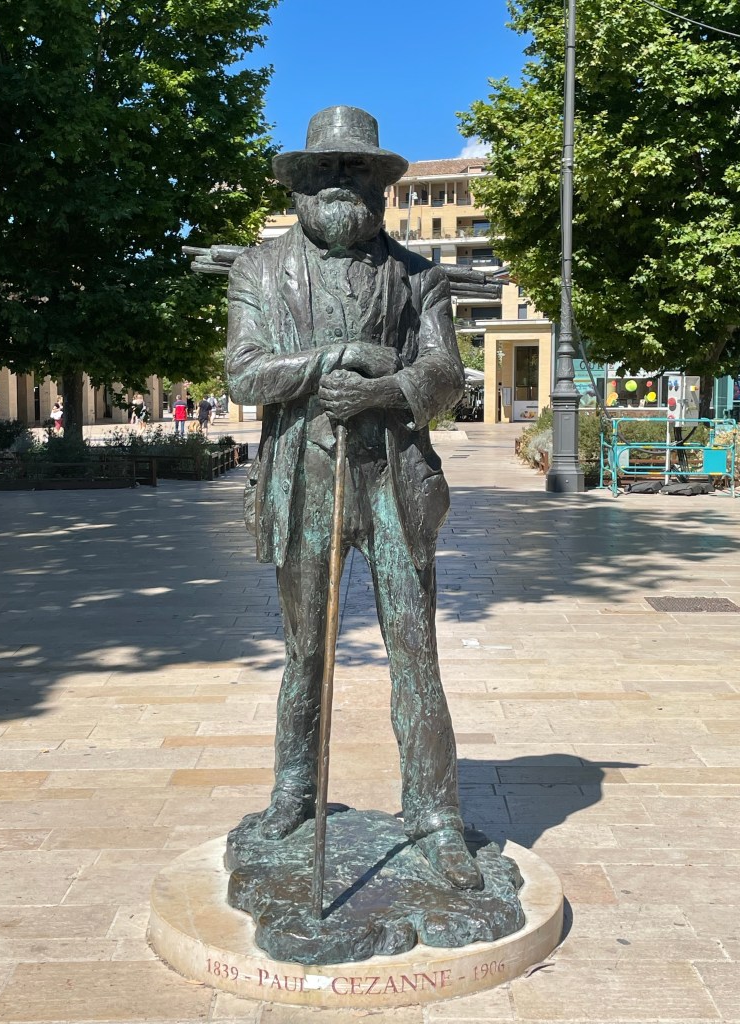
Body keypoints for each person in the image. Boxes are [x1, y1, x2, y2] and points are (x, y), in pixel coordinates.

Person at [226, 106, 479, 889]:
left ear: (382, 186)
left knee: (414, 650)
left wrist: (382, 390)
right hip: (304, 480)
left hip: (396, 481)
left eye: (358, 170)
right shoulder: (258, 270)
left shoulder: (419, 276)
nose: (342, 182)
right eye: (326, 170)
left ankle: (435, 816)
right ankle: (294, 794)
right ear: (299, 185)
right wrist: (335, 357)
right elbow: (244, 374)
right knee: (306, 651)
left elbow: (446, 374)